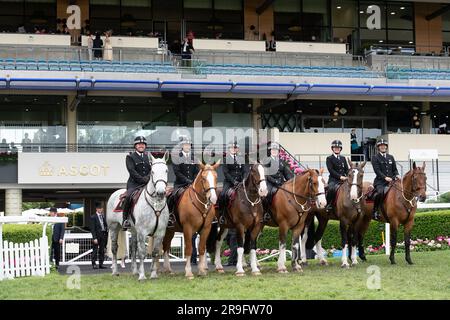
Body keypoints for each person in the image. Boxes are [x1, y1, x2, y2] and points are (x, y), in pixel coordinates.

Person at [122, 136, 151, 230]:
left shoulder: (148, 157)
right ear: (135, 146)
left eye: (143, 144)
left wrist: (148, 178)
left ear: (145, 146)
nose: (141, 146)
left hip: (147, 183)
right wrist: (143, 180)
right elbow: (132, 171)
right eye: (139, 144)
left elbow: (152, 170)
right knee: (128, 196)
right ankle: (125, 219)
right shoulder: (130, 157)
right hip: (134, 184)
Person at [168, 136, 199, 222]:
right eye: (185, 145)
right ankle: (171, 215)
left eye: (189, 145)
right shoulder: (176, 157)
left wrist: (194, 181)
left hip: (193, 184)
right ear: (182, 146)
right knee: (172, 196)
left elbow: (197, 171)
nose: (187, 146)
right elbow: (177, 172)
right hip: (180, 184)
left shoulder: (194, 158)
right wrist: (187, 181)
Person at [218, 140, 248, 224]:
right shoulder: (226, 159)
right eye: (232, 148)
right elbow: (226, 173)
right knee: (223, 195)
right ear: (229, 149)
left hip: (240, 182)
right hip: (229, 182)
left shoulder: (241, 158)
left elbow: (245, 171)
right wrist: (234, 182)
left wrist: (243, 180)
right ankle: (222, 215)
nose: (234, 149)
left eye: (235, 148)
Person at [371, 139, 400, 220]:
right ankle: (375, 211)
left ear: (386, 147)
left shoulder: (391, 157)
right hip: (380, 182)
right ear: (378, 147)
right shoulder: (375, 157)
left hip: (392, 181)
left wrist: (397, 175)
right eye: (381, 146)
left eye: (384, 146)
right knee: (380, 193)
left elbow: (394, 169)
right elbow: (377, 171)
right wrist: (385, 177)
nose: (383, 147)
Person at [325, 140, 349, 214]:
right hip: (334, 180)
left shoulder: (343, 158)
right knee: (331, 189)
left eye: (338, 148)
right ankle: (328, 205)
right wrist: (340, 177)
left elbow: (346, 169)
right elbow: (331, 170)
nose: (337, 149)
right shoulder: (329, 158)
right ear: (332, 148)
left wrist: (349, 175)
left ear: (340, 149)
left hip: (344, 180)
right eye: (335, 148)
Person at [90, 202, 108, 269]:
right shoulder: (93, 217)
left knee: (102, 250)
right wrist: (94, 238)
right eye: (100, 208)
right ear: (97, 209)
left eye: (102, 208)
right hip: (97, 236)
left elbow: (105, 225)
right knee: (95, 250)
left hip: (103, 235)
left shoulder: (102, 216)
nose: (101, 210)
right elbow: (92, 229)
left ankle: (101, 264)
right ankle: (94, 264)